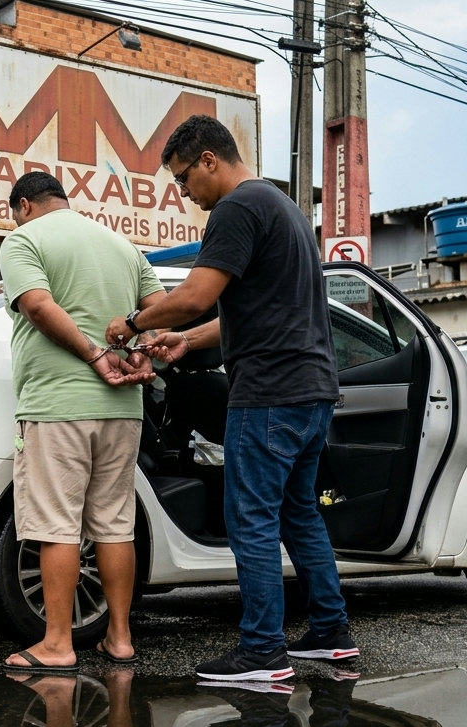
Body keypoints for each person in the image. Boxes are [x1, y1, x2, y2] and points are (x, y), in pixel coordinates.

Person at [105, 114, 358, 682]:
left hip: (269, 393)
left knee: (250, 518)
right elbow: (240, 313)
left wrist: (132, 322)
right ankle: (330, 632)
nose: (184, 195)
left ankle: (263, 651)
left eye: (182, 180)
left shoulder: (235, 209)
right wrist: (182, 340)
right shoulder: (283, 207)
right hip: (312, 390)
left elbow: (196, 294)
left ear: (209, 161)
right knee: (299, 514)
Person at [0, 171, 164, 674]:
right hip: (123, 408)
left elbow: (37, 305)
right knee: (115, 524)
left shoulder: (23, 240)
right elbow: (159, 307)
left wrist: (94, 355)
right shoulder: (121, 245)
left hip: (57, 404)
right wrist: (141, 349)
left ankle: (57, 643)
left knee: (57, 525)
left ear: (24, 205)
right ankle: (119, 638)